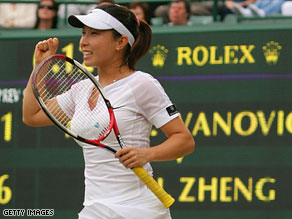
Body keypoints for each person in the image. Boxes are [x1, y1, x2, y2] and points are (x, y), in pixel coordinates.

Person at [22, 4, 195, 219]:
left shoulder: (141, 84)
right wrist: (40, 66)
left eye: (94, 33)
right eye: (84, 33)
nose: (83, 41)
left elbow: (184, 140)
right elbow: (32, 116)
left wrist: (146, 154)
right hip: (95, 210)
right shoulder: (81, 89)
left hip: (140, 210)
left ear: (121, 42)